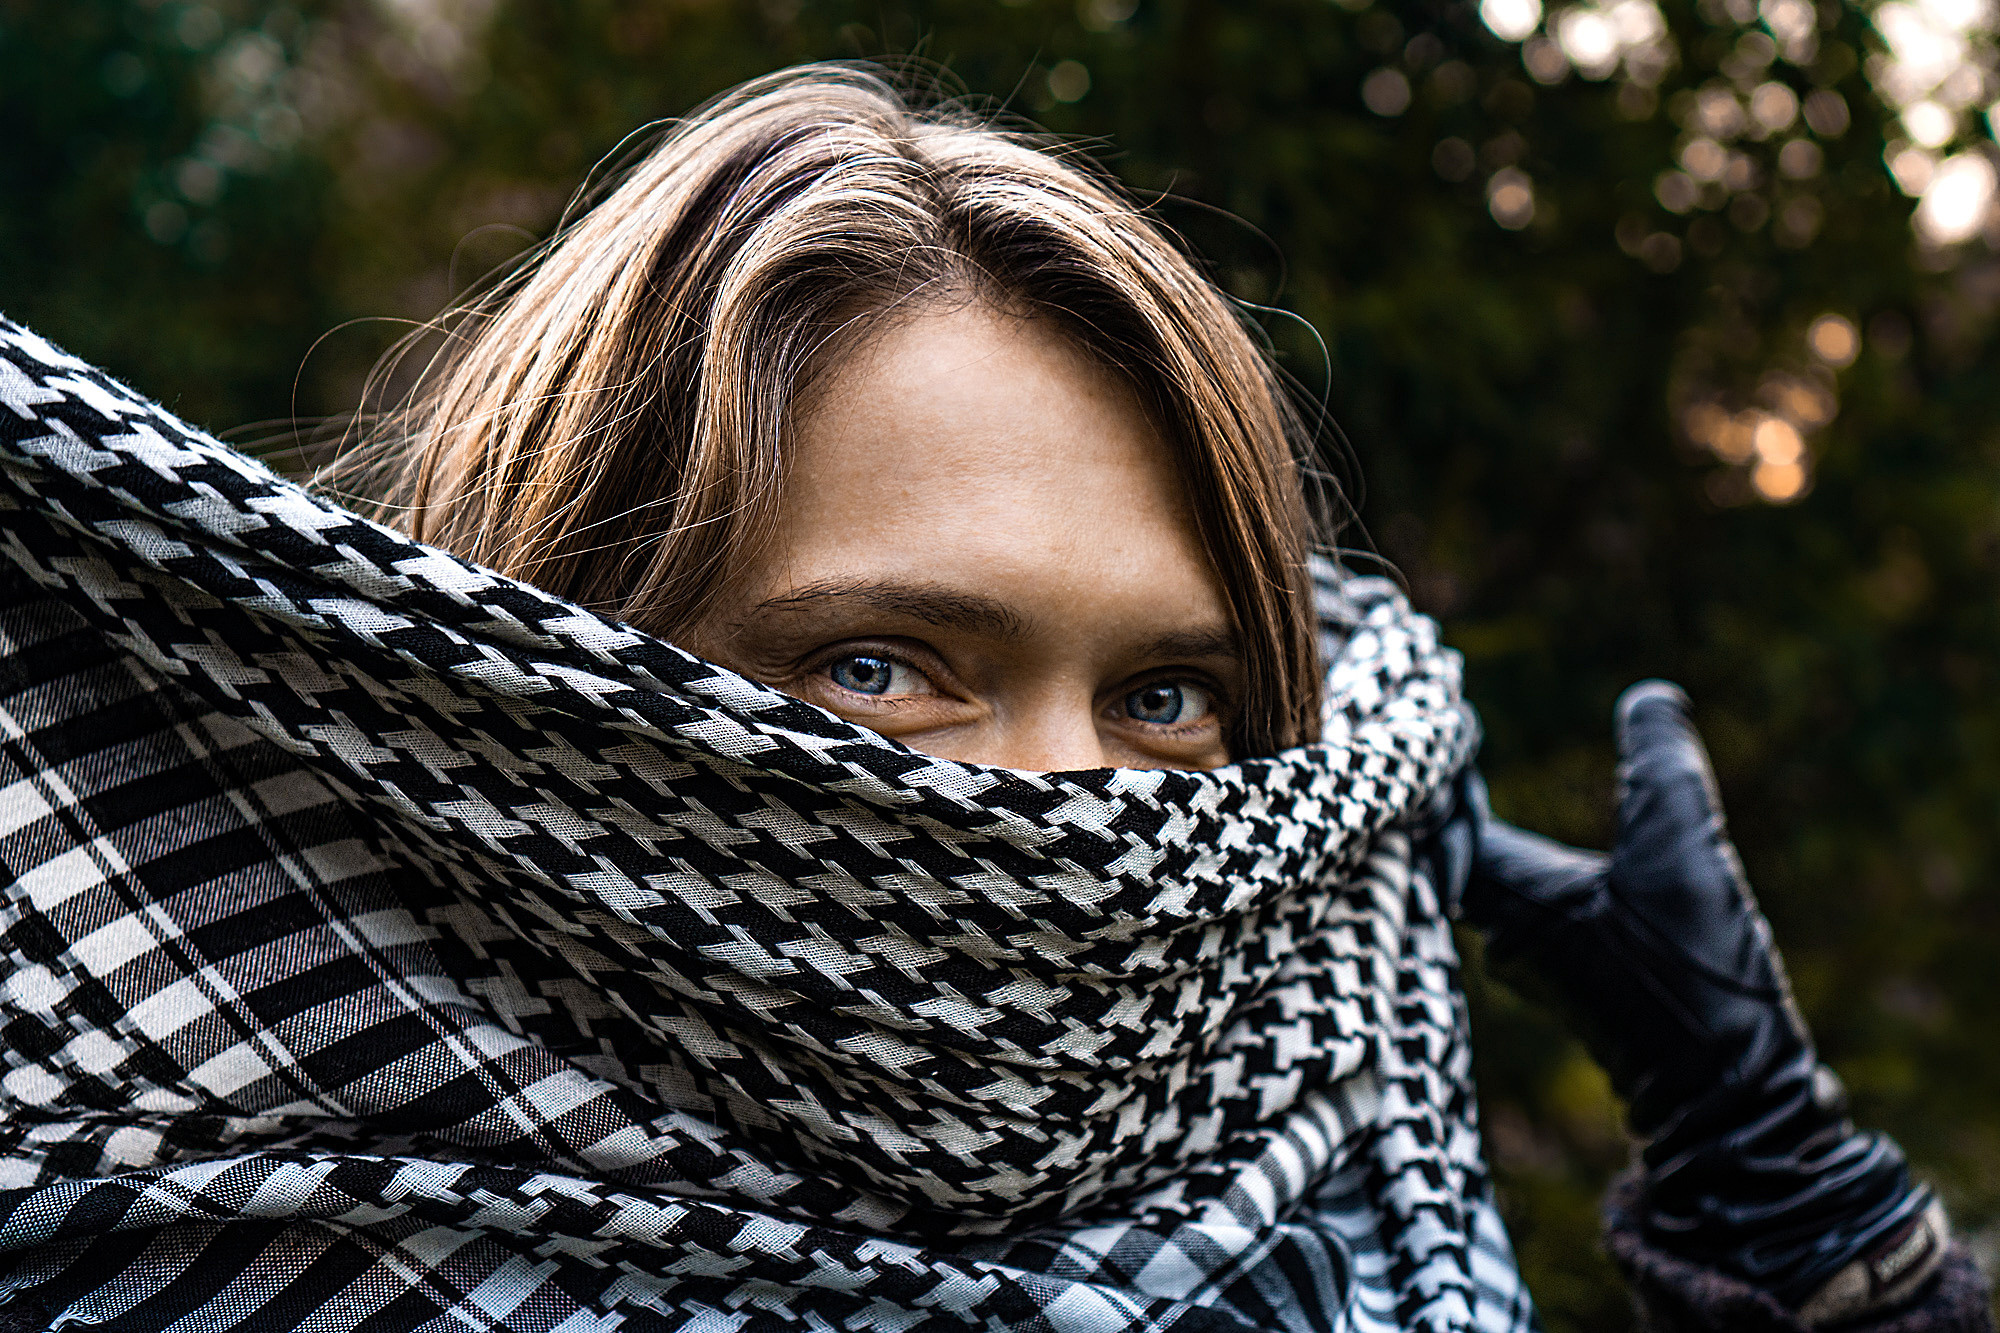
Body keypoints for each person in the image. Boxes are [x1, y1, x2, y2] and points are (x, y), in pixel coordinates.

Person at [0, 63, 1983, 1333]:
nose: (1074, 810)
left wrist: (1825, 1258)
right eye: (882, 667)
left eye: (1171, 695)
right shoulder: (181, 1265)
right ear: (545, 691)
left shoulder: (1314, 1250)